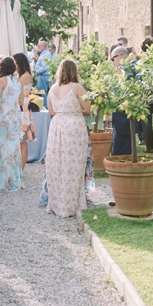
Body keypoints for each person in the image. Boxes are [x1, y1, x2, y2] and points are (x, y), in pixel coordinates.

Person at [43, 58, 92, 218]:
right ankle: (71, 204)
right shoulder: (77, 87)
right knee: (74, 164)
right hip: (73, 126)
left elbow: (51, 111)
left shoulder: (53, 88)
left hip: (57, 126)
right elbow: (88, 108)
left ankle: (57, 204)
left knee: (57, 164)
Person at [0, 56, 24, 192]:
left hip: (3, 116)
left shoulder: (1, 81)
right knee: (13, 146)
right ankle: (13, 180)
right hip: (15, 117)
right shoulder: (18, 82)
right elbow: (20, 102)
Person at [108, 45, 136, 158]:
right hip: (119, 117)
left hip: (126, 117)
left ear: (119, 56)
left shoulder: (131, 71)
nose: (112, 62)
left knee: (120, 152)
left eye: (112, 59)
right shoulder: (120, 72)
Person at [12, 52, 35, 170]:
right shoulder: (22, 75)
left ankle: (21, 168)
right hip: (22, 107)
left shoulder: (25, 76)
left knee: (23, 141)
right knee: (20, 141)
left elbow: (17, 90)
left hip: (24, 108)